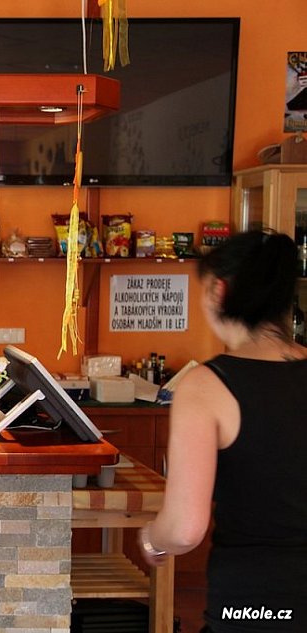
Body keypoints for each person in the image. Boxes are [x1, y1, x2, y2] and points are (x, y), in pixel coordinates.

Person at [139, 230, 306, 632]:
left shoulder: (207, 386)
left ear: (219, 291)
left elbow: (185, 529)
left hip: (256, 604)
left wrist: (151, 539)